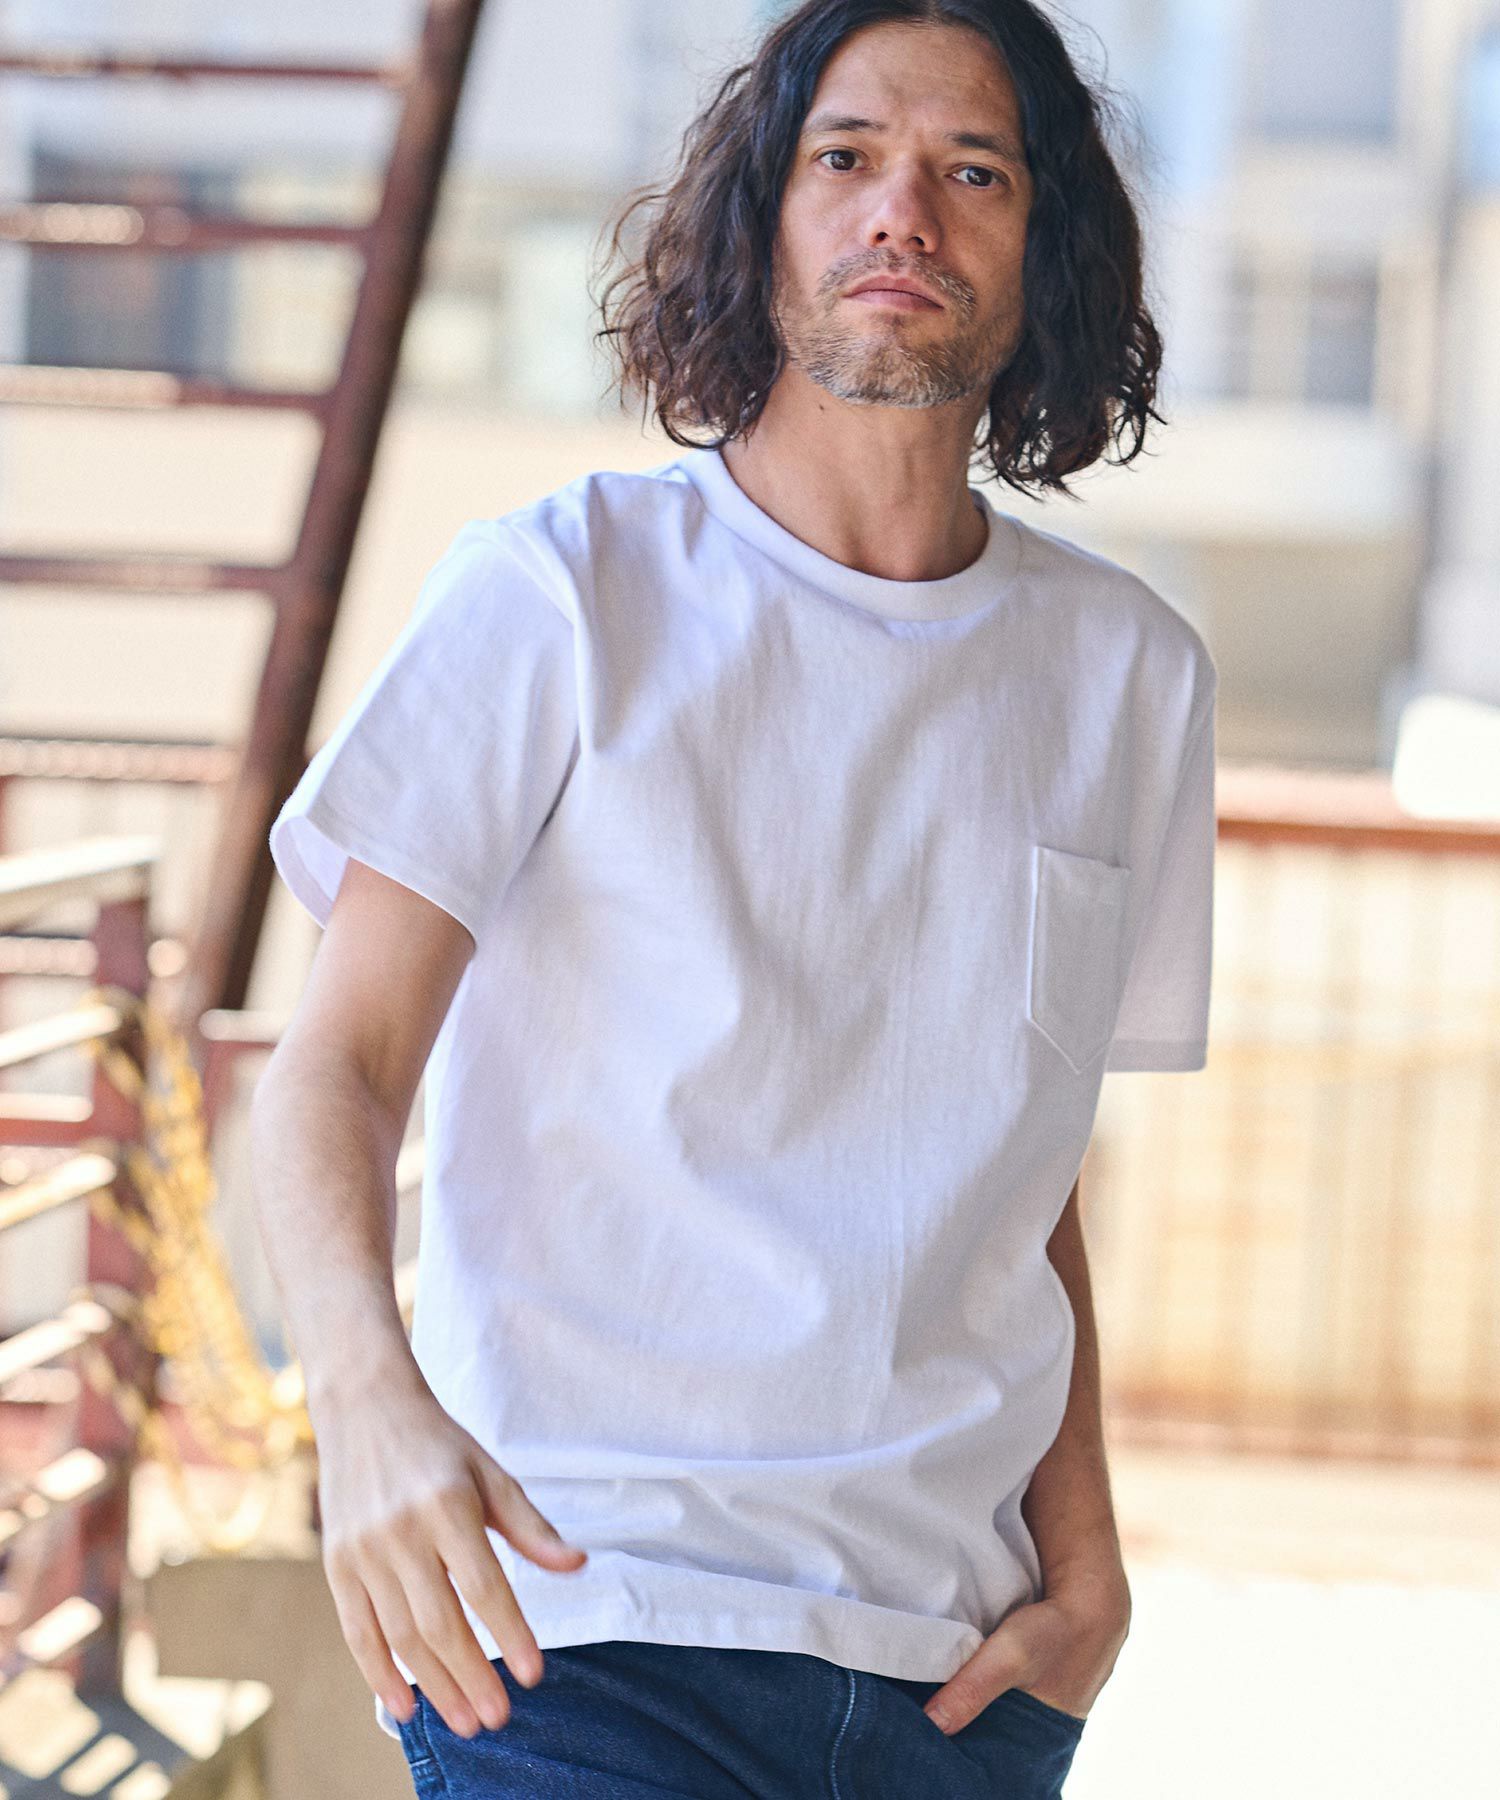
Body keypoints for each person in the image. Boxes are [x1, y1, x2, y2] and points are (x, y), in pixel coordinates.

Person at [251, 1, 1217, 1794]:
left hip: (959, 1677)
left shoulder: (1129, 677)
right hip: (584, 1627)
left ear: (1048, 250)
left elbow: (1029, 1161)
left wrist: (1086, 1569)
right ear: (764, 215)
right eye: (846, 157)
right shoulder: (559, 597)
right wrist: (367, 1416)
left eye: (974, 172)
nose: (902, 210)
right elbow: (336, 1069)